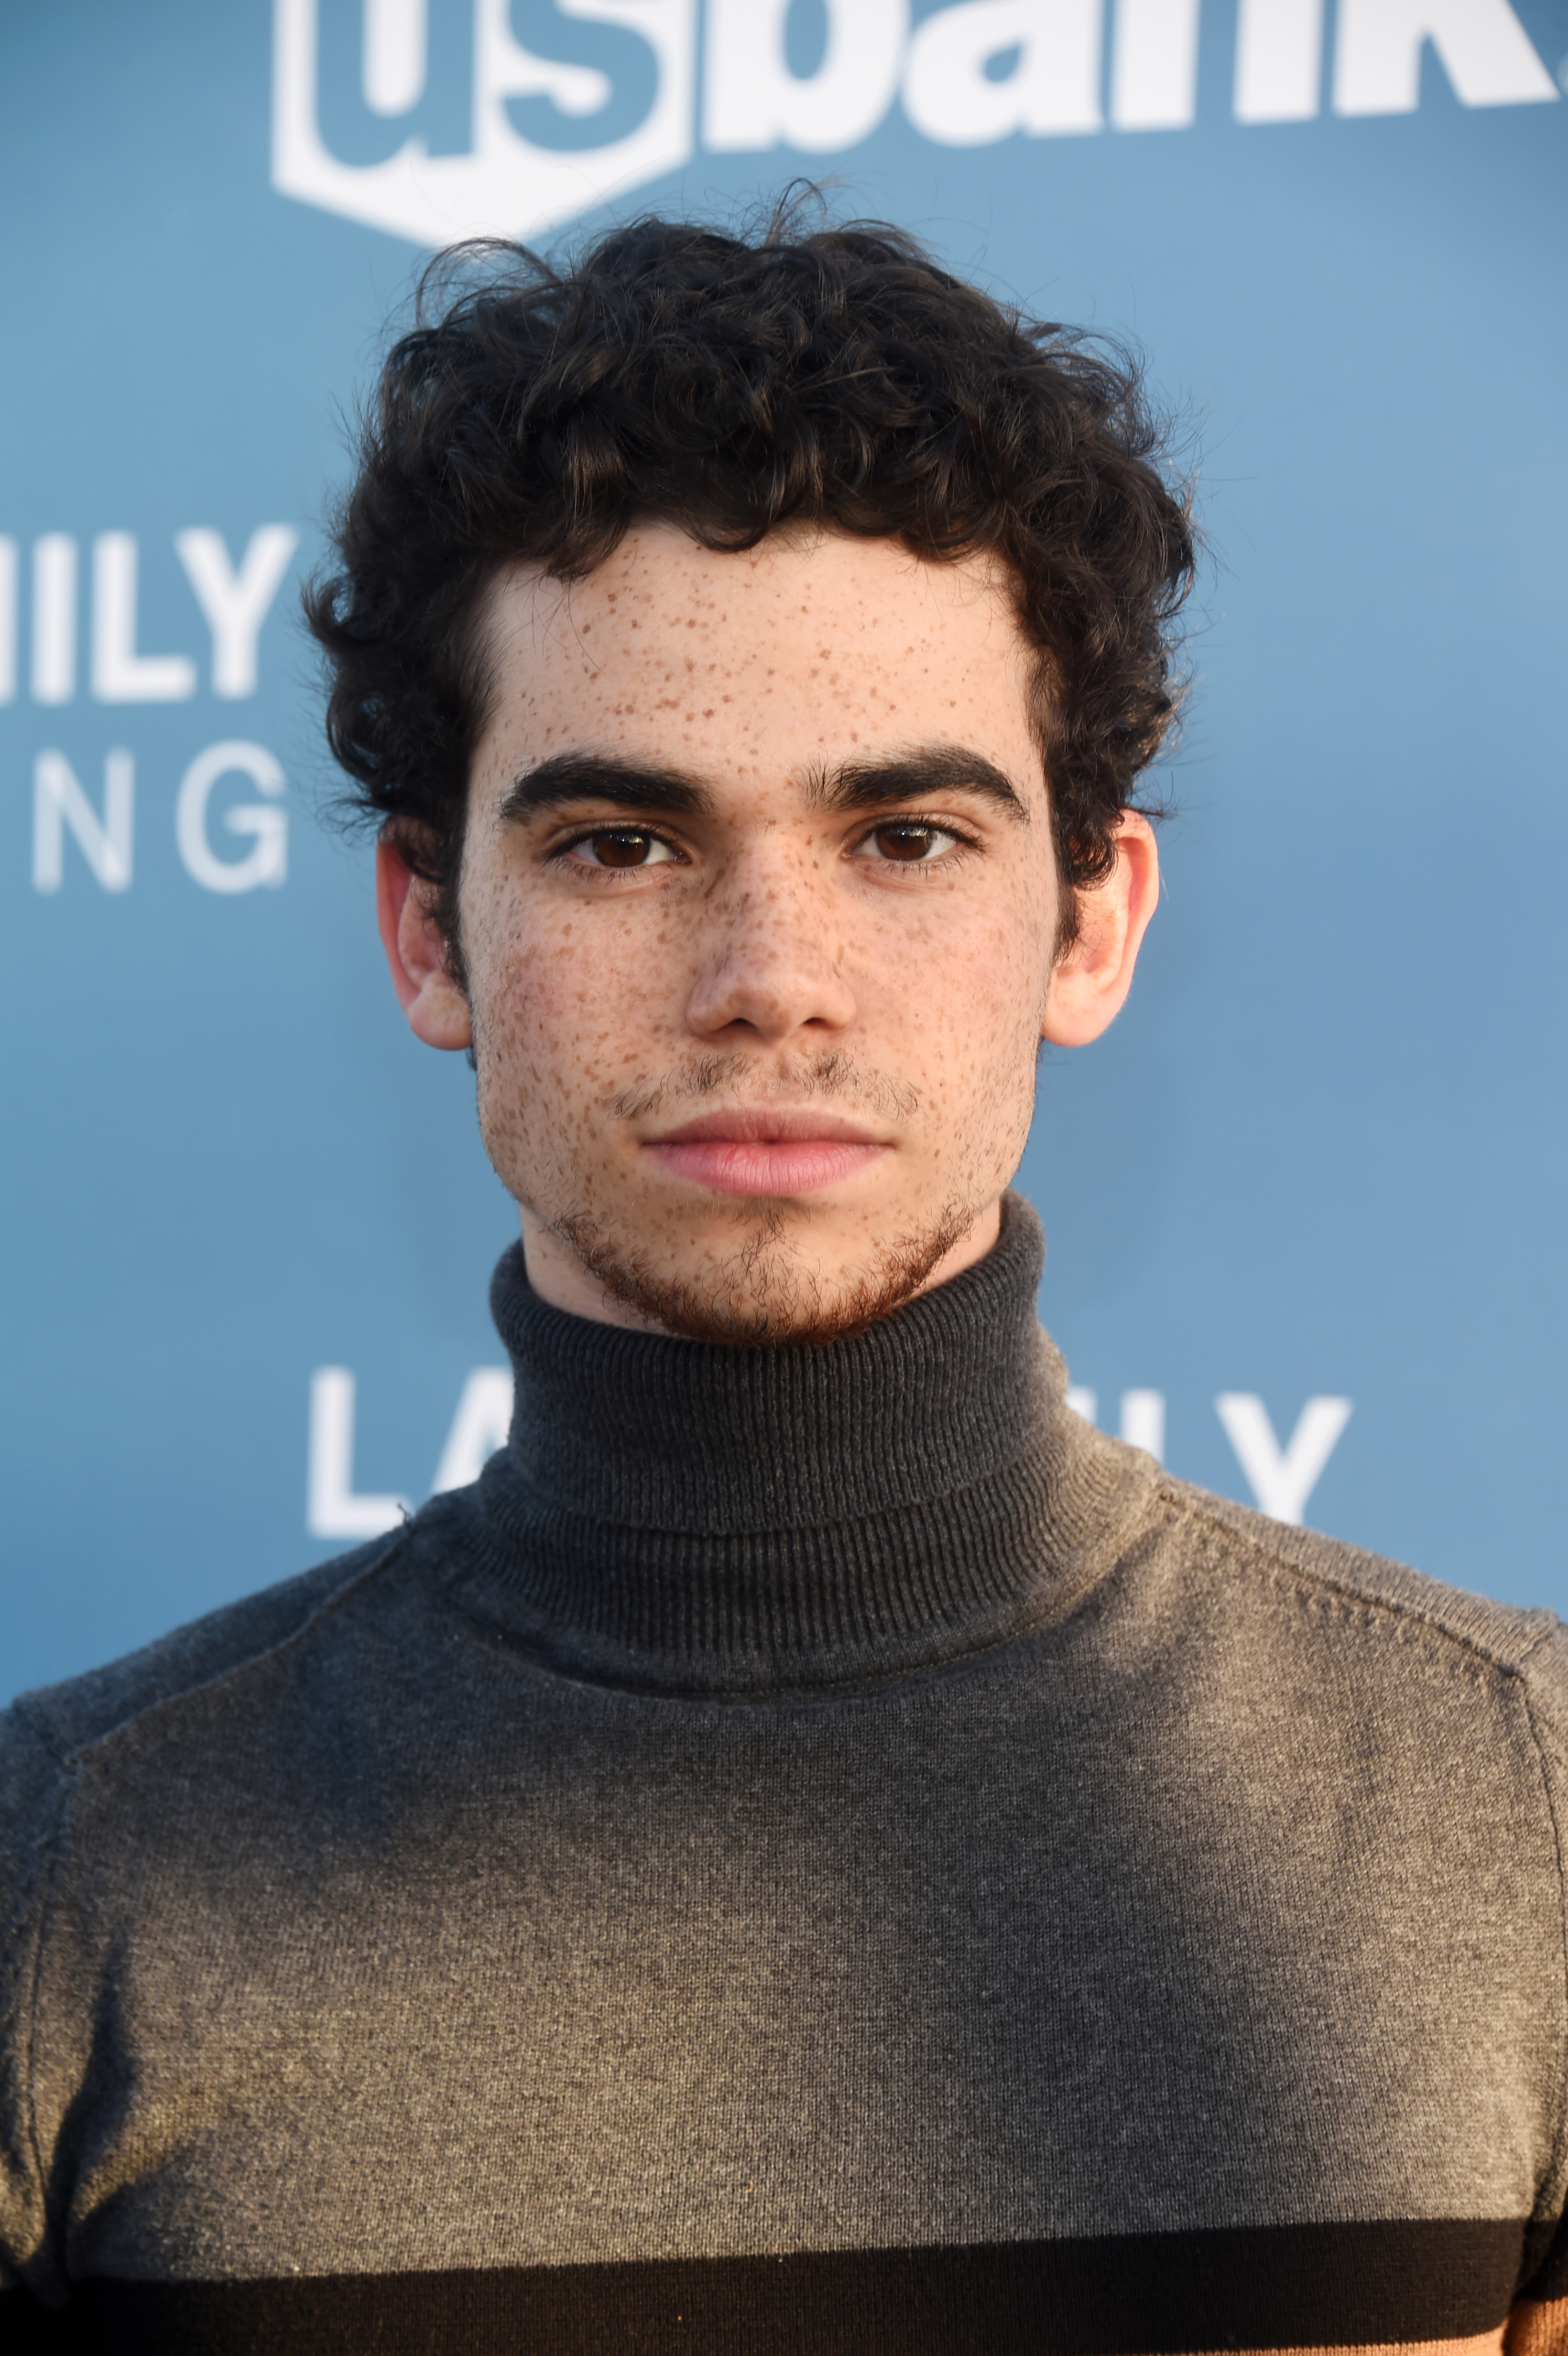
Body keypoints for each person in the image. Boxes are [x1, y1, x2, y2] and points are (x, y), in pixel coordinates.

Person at [2, 210, 1565, 2356]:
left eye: (905, 836)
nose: (770, 985)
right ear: (426, 933)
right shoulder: (65, 1875)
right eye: (619, 842)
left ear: (1092, 923)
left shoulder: (1523, 1809)